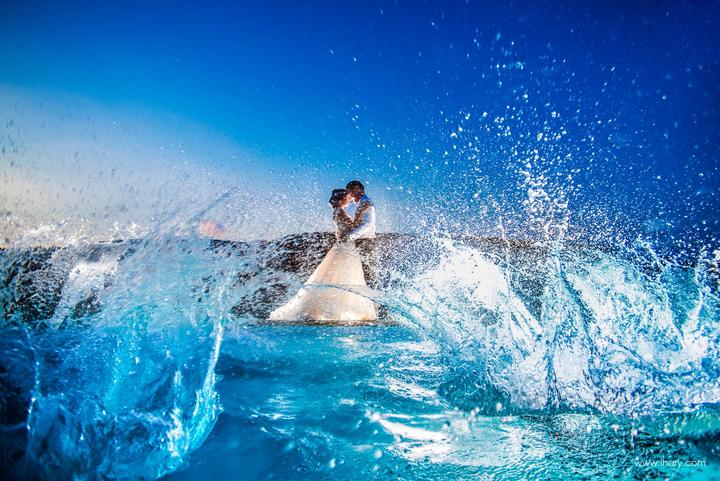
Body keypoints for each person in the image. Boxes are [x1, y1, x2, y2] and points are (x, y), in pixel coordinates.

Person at [267, 187, 378, 323]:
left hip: (345, 247)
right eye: (347, 198)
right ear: (342, 199)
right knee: (344, 275)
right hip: (345, 248)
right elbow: (352, 228)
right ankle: (338, 310)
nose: (349, 199)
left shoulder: (338, 211)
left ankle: (337, 309)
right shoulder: (340, 212)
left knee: (340, 276)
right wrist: (360, 214)